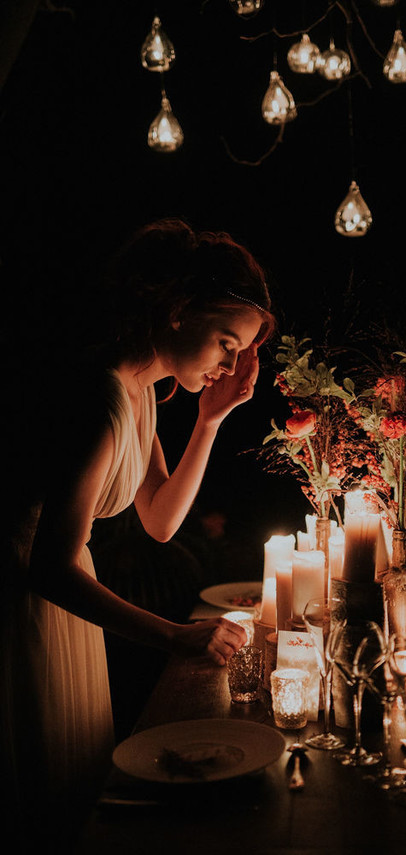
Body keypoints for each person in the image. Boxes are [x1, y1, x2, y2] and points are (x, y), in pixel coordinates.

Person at [0, 217, 276, 848]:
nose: (232, 364)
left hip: (66, 603)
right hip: (26, 604)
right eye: (226, 343)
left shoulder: (139, 390)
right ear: (179, 311)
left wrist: (210, 420)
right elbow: (48, 566)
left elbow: (159, 521)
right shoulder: (96, 396)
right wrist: (177, 637)